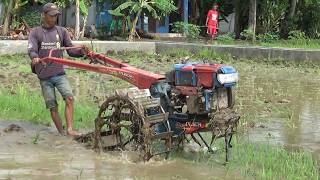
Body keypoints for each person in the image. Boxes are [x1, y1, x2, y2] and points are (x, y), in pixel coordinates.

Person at [28, 3, 88, 137]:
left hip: (59, 73)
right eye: (51, 15)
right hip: (44, 75)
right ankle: (61, 133)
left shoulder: (61, 31)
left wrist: (82, 51)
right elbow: (31, 49)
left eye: (56, 15)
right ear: (44, 15)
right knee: (53, 107)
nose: (54, 18)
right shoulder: (35, 32)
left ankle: (70, 129)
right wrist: (35, 58)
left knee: (69, 98)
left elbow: (71, 50)